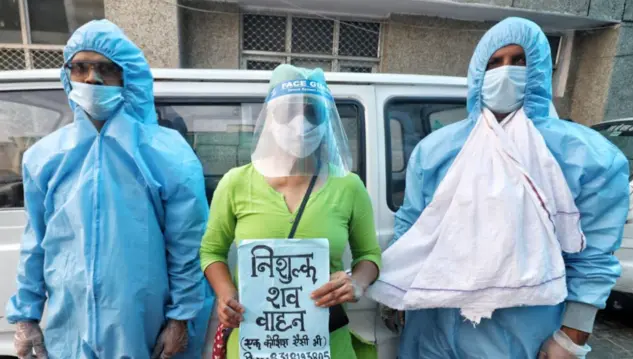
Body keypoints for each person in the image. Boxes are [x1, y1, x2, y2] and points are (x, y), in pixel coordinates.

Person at [368, 17, 629, 359]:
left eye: (519, 61)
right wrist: (394, 294)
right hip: (431, 323)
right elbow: (411, 225)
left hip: (519, 329)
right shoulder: (438, 150)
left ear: (539, 69)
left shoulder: (584, 156)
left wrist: (572, 336)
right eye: (495, 62)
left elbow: (594, 257)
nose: (506, 72)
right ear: (478, 72)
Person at [5, 19, 213, 359]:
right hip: (69, 325)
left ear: (127, 76)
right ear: (67, 74)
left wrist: (180, 318)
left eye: (105, 68)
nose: (92, 79)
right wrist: (27, 315)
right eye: (81, 67)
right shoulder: (45, 157)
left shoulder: (165, 153)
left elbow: (187, 243)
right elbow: (36, 242)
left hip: (142, 325)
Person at [199, 64, 382, 359]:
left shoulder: (348, 186)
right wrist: (225, 293)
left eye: (312, 112)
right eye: (288, 112)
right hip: (255, 344)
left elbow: (370, 256)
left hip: (327, 346)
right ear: (270, 117)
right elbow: (211, 251)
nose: (301, 123)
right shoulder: (235, 183)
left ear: (325, 120)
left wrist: (357, 283)